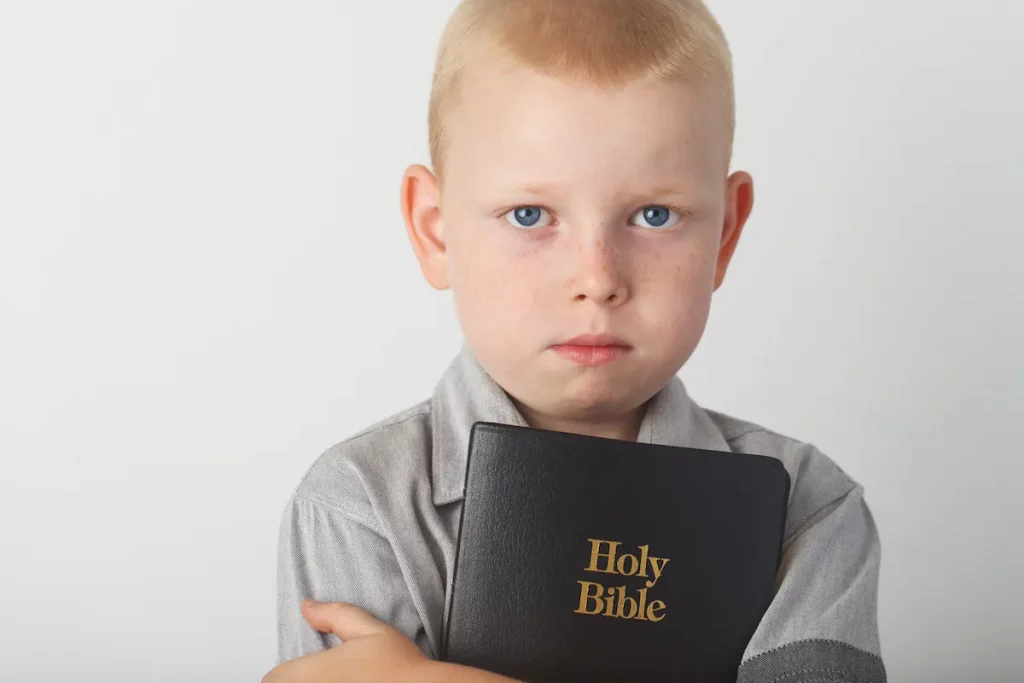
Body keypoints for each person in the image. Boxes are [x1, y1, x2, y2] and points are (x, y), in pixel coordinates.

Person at [264, 1, 886, 681]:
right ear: (437, 230)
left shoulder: (807, 510)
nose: (597, 278)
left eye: (655, 214)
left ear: (725, 235)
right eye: (530, 214)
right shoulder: (359, 505)